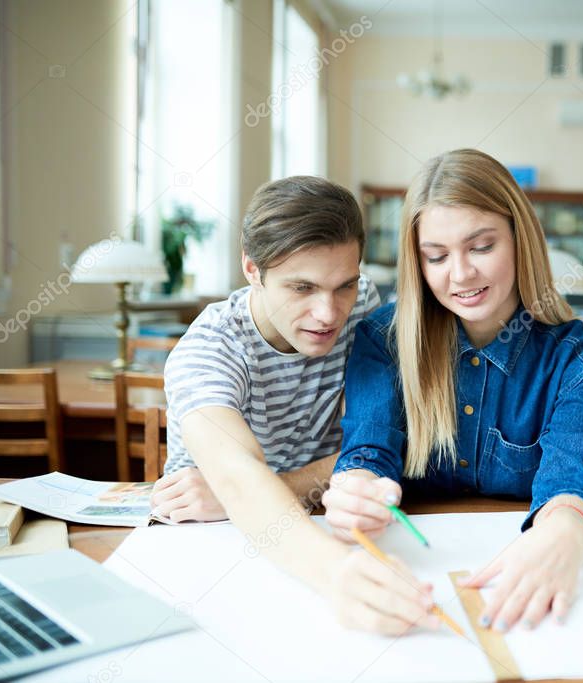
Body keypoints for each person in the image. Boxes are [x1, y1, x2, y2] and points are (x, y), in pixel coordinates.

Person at [323, 149, 583, 633]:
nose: (459, 274)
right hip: (414, 578)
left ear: (520, 239)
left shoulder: (581, 364)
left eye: (481, 247)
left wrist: (566, 528)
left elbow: (573, 470)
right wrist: (355, 487)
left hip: (515, 587)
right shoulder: (383, 342)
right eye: (436, 256)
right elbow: (368, 449)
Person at [152, 176, 437, 634]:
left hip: (325, 529)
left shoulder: (362, 301)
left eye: (343, 284)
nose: (328, 314)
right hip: (213, 549)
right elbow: (236, 476)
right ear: (252, 269)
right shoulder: (208, 351)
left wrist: (267, 489)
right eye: (302, 288)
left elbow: (384, 433)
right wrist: (336, 572)